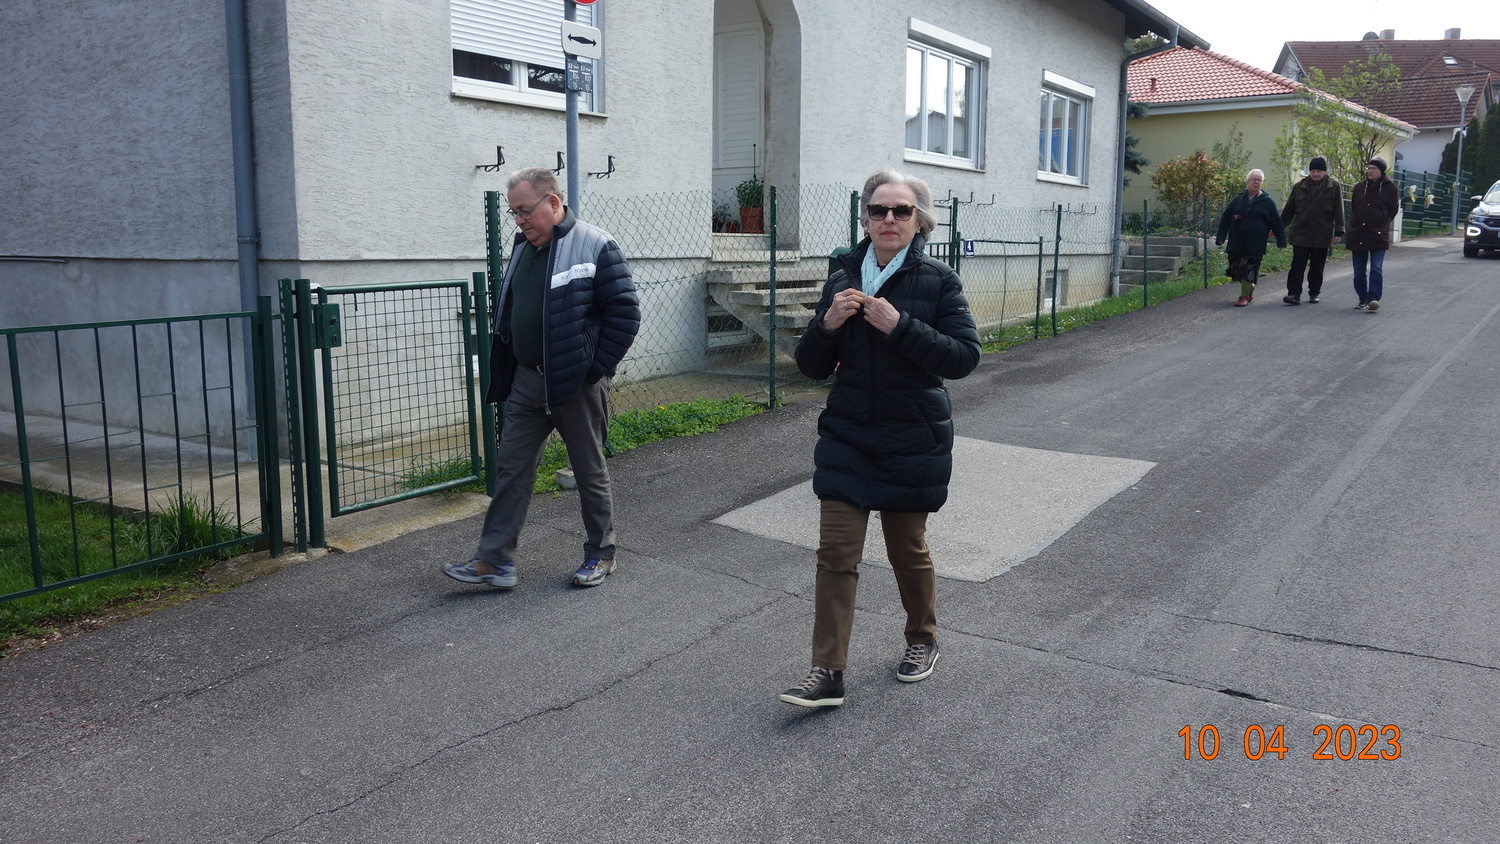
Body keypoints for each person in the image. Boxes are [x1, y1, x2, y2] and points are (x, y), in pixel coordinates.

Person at [778, 170, 981, 709]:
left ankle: (923, 638)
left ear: (919, 221)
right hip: (848, 435)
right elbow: (810, 366)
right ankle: (827, 671)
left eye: (901, 210)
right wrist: (827, 324)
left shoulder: (939, 281)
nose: (889, 219)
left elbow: (964, 358)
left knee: (905, 550)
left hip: (912, 437)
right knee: (835, 554)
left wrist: (900, 326)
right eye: (879, 210)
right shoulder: (842, 278)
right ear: (866, 218)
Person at [444, 167, 640, 590]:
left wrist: (593, 370)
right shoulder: (523, 247)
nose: (519, 221)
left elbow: (625, 315)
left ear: (553, 202)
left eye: (525, 211)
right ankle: (495, 561)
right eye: (514, 213)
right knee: (512, 469)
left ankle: (601, 554)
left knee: (588, 469)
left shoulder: (595, 244)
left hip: (575, 383)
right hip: (527, 381)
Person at [1215, 169, 1287, 307]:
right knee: (1235, 268)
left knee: (1248, 269)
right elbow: (1225, 218)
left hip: (1256, 244)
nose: (1256, 182)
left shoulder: (1267, 202)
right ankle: (1250, 286)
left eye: (1259, 180)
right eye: (1254, 179)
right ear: (1247, 182)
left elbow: (1276, 222)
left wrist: (1281, 240)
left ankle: (1243, 297)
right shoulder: (1237, 200)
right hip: (1237, 241)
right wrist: (1221, 237)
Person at [1279, 156, 1344, 304]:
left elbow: (1338, 210)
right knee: (1297, 265)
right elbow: (1289, 210)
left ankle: (1314, 292)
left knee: (1317, 267)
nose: (1315, 174)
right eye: (1313, 171)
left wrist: (1339, 232)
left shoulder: (1333, 187)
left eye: (1319, 171)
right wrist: (1279, 228)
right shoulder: (1299, 186)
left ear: (1324, 172)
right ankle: (1294, 294)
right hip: (1301, 232)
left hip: (1322, 234)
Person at [1347, 157, 1400, 312]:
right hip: (1358, 234)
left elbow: (1393, 211)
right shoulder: (1359, 187)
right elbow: (1355, 207)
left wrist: (1381, 223)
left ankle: (1373, 298)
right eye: (1368, 168)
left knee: (1376, 267)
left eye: (1373, 168)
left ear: (1381, 171)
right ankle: (1362, 297)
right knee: (1359, 271)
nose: (1369, 171)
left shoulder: (1390, 188)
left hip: (1378, 234)